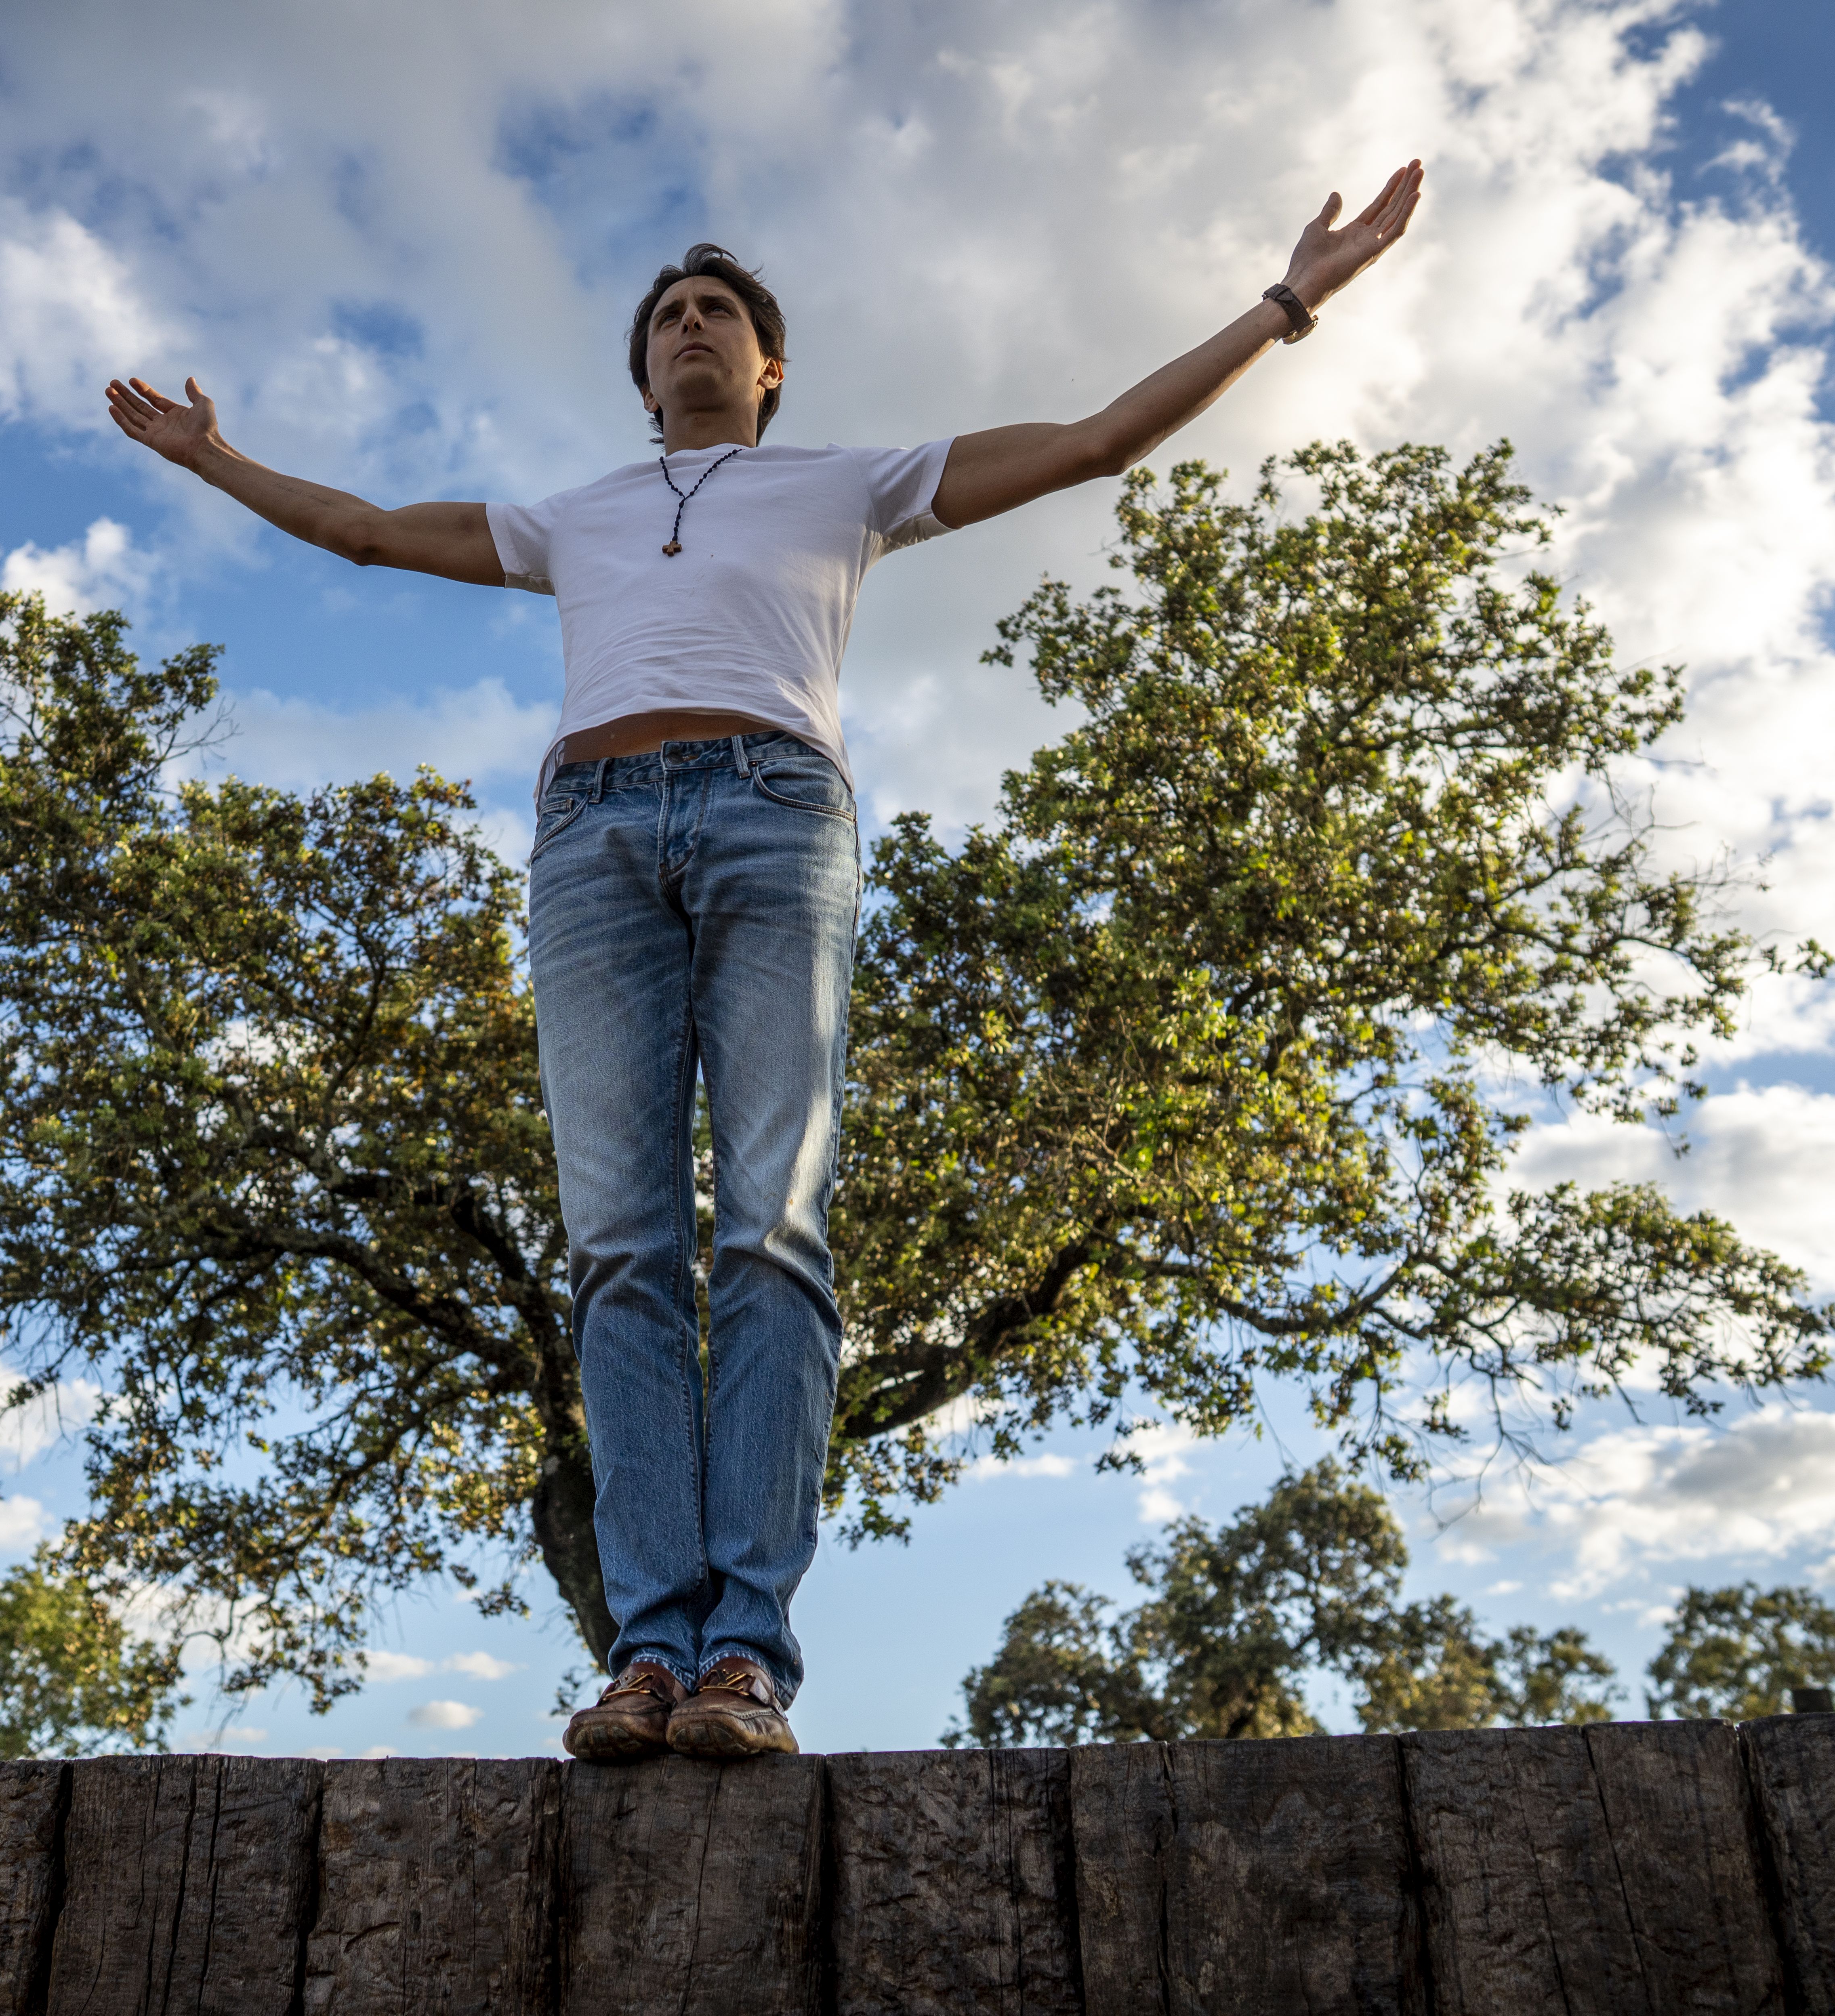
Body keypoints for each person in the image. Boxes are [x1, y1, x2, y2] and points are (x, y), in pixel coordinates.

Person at [107, 162, 1423, 1763]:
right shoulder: (573, 513)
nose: (688, 325)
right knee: (617, 1248)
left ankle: (744, 1660)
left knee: (771, 1228)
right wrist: (215, 458)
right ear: (643, 370)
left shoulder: (845, 483)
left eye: (716, 309)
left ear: (767, 364)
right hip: (591, 837)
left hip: (771, 816)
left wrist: (1289, 304)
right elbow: (375, 534)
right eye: (665, 315)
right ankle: (645, 1656)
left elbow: (1092, 440)